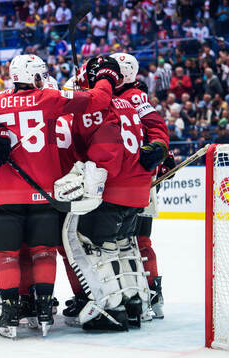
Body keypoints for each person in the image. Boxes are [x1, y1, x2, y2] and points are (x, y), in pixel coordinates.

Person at [0, 54, 120, 338]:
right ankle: (45, 309)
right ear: (35, 76)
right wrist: (106, 78)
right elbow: (96, 100)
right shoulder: (48, 97)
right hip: (42, 191)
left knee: (7, 255)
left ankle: (10, 312)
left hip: (4, 193)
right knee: (44, 252)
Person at [56, 56, 153, 331]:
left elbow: (106, 150)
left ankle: (109, 309)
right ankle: (134, 302)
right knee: (123, 247)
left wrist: (88, 176)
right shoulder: (127, 102)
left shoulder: (99, 104)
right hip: (136, 190)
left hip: (112, 189)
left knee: (97, 248)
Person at [110, 53, 171, 320]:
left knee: (133, 240)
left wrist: (159, 149)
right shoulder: (127, 95)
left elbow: (157, 127)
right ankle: (148, 294)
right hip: (137, 180)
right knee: (134, 240)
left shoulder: (133, 97)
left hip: (137, 180)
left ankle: (143, 293)